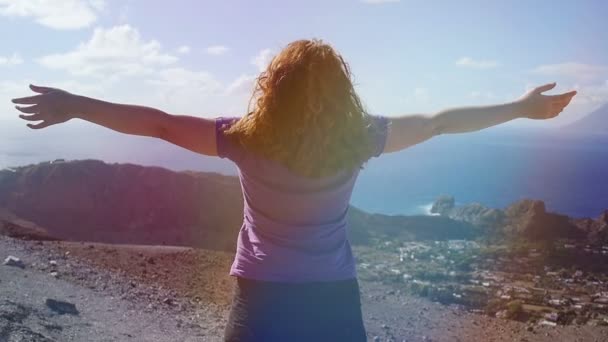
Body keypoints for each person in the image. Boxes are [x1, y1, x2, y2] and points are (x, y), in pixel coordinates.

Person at [11, 39, 576, 341]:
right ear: (342, 93)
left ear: (271, 88)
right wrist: (522, 108)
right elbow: (439, 121)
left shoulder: (243, 139)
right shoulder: (360, 138)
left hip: (261, 296)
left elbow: (156, 122)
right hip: (333, 296)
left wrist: (76, 105)